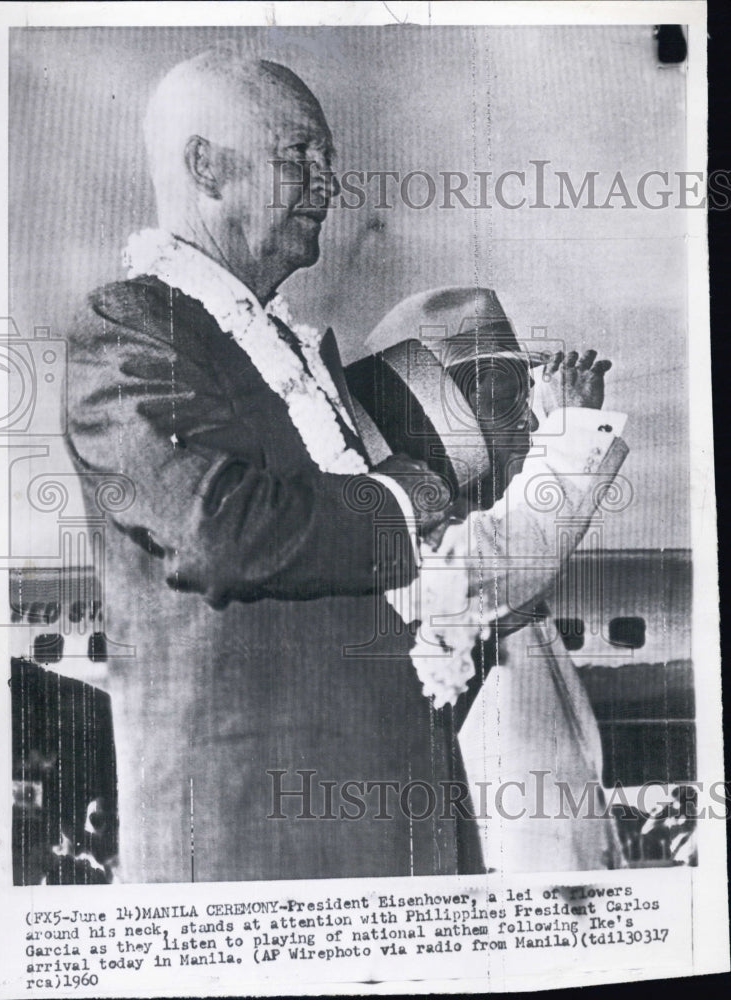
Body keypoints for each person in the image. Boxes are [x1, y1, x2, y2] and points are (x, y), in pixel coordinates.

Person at [65, 48, 626, 883]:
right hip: (261, 834)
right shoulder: (131, 325)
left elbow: (419, 581)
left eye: (328, 161)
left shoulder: (287, 352)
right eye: (301, 154)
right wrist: (407, 490)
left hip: (389, 815)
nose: (329, 184)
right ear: (205, 167)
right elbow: (218, 528)